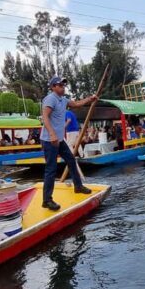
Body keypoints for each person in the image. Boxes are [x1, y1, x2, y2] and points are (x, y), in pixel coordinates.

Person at [41, 76, 98, 210]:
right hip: (50, 140)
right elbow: (45, 117)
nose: (63, 87)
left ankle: (78, 186)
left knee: (71, 160)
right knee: (51, 169)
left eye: (63, 85)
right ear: (53, 87)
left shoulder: (63, 100)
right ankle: (46, 200)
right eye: (60, 85)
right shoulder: (50, 99)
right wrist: (52, 134)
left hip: (59, 140)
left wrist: (90, 99)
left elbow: (77, 104)